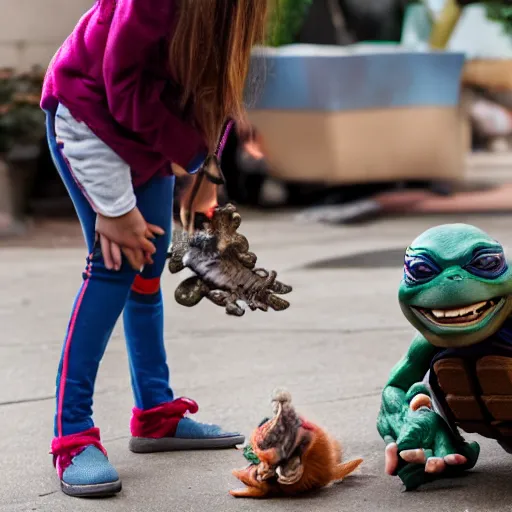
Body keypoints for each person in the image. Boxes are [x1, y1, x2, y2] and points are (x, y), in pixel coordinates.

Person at [41, 0, 268, 498]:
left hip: (145, 132)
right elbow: (123, 91)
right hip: (90, 121)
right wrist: (116, 207)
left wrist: (206, 170)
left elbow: (218, 87)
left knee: (147, 271)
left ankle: (156, 417)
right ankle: (72, 437)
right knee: (112, 268)